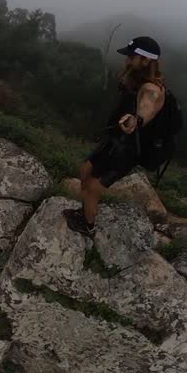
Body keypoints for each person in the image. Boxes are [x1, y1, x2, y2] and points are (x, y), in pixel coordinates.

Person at [64, 35, 168, 235]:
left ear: (146, 61)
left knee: (94, 187)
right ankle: (85, 208)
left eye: (132, 57)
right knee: (85, 170)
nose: (127, 60)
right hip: (114, 142)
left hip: (127, 151)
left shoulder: (152, 89)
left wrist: (135, 120)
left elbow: (147, 107)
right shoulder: (137, 82)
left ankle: (88, 227)